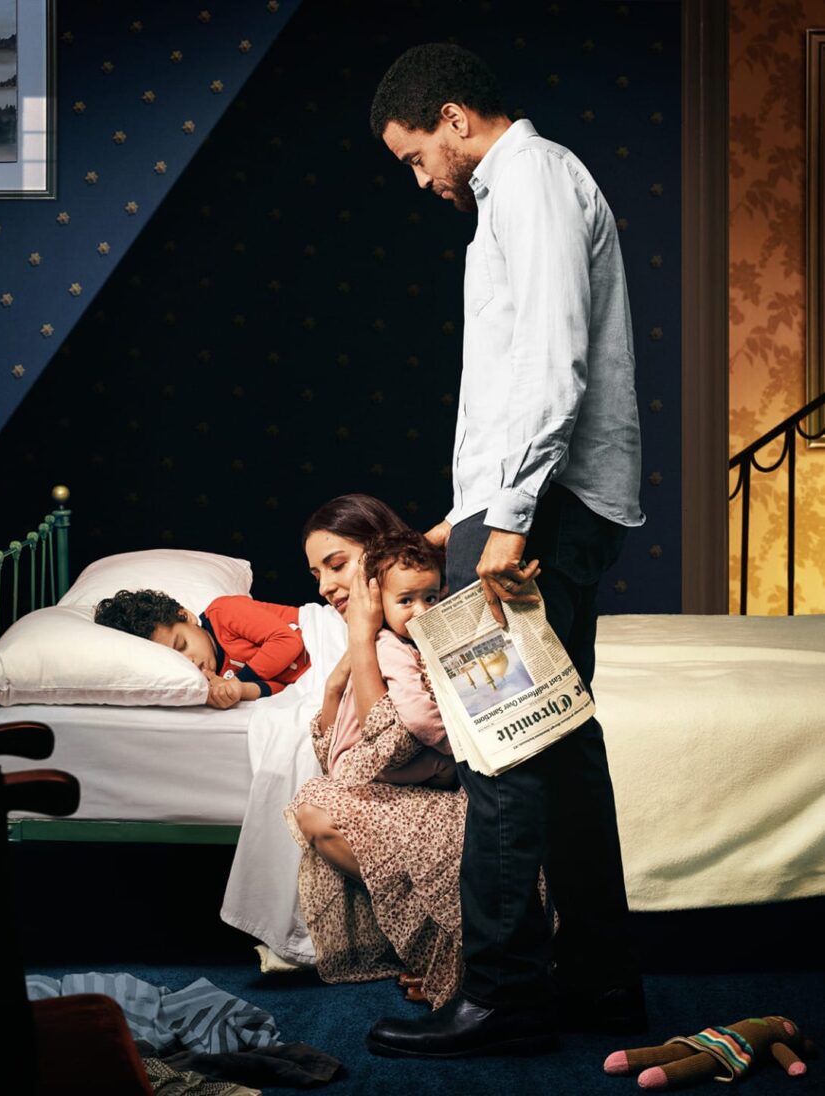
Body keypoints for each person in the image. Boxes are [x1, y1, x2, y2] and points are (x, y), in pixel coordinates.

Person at [366, 43, 646, 1059]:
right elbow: (522, 368)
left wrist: (509, 515)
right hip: (540, 497)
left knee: (502, 748)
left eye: (413, 157)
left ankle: (502, 995)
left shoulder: (523, 177)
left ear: (451, 117)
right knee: (562, 748)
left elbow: (547, 359)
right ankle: (603, 984)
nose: (421, 178)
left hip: (545, 504)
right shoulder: (533, 183)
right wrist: (468, 511)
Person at [285, 496, 469, 1008]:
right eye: (316, 572)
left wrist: (364, 638)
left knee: (318, 812)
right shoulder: (375, 634)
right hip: (404, 780)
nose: (324, 586)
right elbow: (339, 750)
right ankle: (443, 951)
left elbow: (391, 736)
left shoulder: (408, 628)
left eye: (337, 564)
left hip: (442, 788)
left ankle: (460, 954)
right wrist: (335, 680)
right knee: (314, 809)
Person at [319, 529, 457, 789]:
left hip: (362, 763)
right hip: (361, 766)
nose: (422, 611)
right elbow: (418, 715)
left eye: (430, 598)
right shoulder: (389, 646)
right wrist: (457, 745)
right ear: (378, 599)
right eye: (406, 600)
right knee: (446, 764)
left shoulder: (406, 638)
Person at [94, 589, 310, 708]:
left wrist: (236, 681)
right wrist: (240, 692)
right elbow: (283, 687)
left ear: (186, 615)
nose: (190, 661)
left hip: (325, 637)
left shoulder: (224, 612)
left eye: (182, 645)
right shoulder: (212, 677)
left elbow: (286, 641)